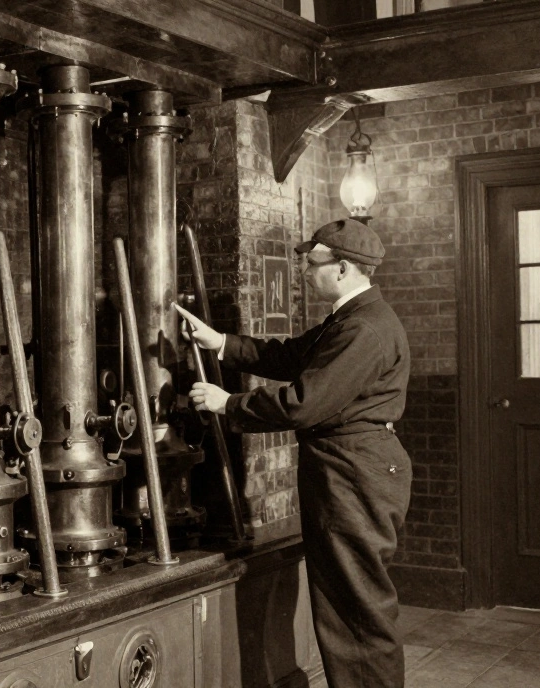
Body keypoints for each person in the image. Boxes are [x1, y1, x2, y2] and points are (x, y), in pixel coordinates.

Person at [174, 218, 412, 688]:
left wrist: (229, 404)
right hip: (349, 470)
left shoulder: (364, 329)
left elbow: (306, 403)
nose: (304, 269)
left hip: (355, 474)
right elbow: (287, 357)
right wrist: (221, 343)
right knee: (349, 604)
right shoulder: (349, 319)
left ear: (342, 268)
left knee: (357, 611)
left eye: (312, 261)